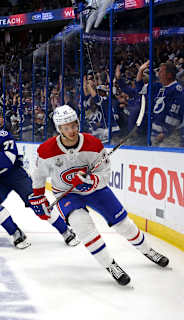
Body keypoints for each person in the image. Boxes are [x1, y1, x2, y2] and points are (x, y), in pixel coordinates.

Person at [29, 105, 169, 286]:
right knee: (82, 227)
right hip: (66, 194)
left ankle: (148, 250)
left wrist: (91, 180)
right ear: (59, 129)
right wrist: (39, 197)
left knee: (123, 224)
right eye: (66, 128)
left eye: (73, 125)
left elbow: (105, 174)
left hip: (95, 190)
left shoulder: (93, 144)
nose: (71, 130)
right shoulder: (46, 150)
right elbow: (38, 177)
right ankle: (110, 265)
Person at [0, 110, 79, 249]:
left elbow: (7, 162)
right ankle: (16, 233)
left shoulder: (3, 136)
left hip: (16, 175)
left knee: (38, 204)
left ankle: (65, 231)